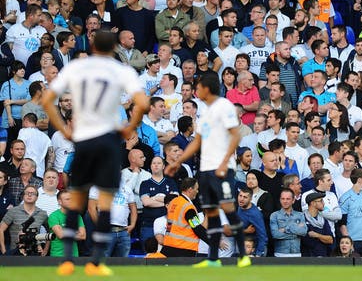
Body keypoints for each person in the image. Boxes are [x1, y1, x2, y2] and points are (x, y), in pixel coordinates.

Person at [42, 31, 150, 276]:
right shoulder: (122, 71)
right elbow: (142, 103)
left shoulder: (78, 67)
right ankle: (96, 263)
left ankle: (67, 260)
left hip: (84, 139)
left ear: (91, 45)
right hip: (109, 140)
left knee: (78, 199)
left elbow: (48, 99)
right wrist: (129, 129)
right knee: (105, 201)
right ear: (114, 47)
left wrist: (65, 131)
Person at [165, 73, 252, 268]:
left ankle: (243, 256)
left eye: (199, 86)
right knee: (211, 213)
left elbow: (235, 136)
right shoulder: (205, 113)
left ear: (207, 87)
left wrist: (223, 163)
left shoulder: (224, 106)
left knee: (228, 209)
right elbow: (197, 143)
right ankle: (213, 259)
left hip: (222, 169)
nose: (196, 90)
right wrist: (178, 162)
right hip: (205, 170)